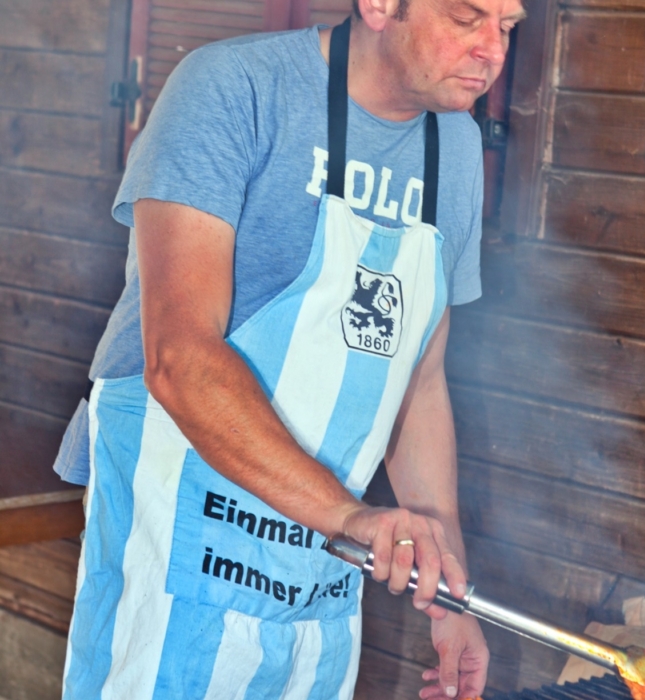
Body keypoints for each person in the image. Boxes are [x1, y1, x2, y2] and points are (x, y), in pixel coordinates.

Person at [55, 0, 526, 697]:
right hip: (181, 529)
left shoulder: (454, 148)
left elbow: (419, 380)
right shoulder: (232, 88)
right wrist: (350, 516)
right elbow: (179, 359)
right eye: (466, 18)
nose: (492, 49)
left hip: (319, 567)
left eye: (508, 26)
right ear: (377, 5)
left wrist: (449, 585)